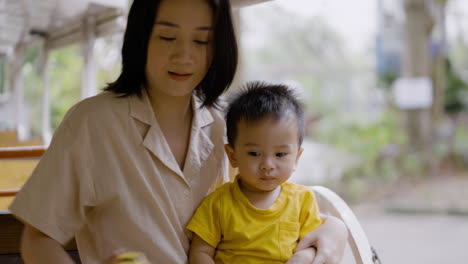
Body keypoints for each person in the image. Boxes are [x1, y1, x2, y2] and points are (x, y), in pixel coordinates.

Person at [9, 0, 347, 263]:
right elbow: (38, 239)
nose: (185, 55)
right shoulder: (91, 123)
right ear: (141, 38)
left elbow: (255, 199)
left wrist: (335, 227)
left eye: (202, 40)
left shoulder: (220, 122)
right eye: (167, 36)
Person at [188, 82, 326, 263]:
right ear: (233, 155)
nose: (268, 165)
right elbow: (200, 252)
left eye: (280, 154)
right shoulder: (218, 203)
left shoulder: (303, 201)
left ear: (297, 158)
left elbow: (311, 246)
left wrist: (302, 257)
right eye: (254, 154)